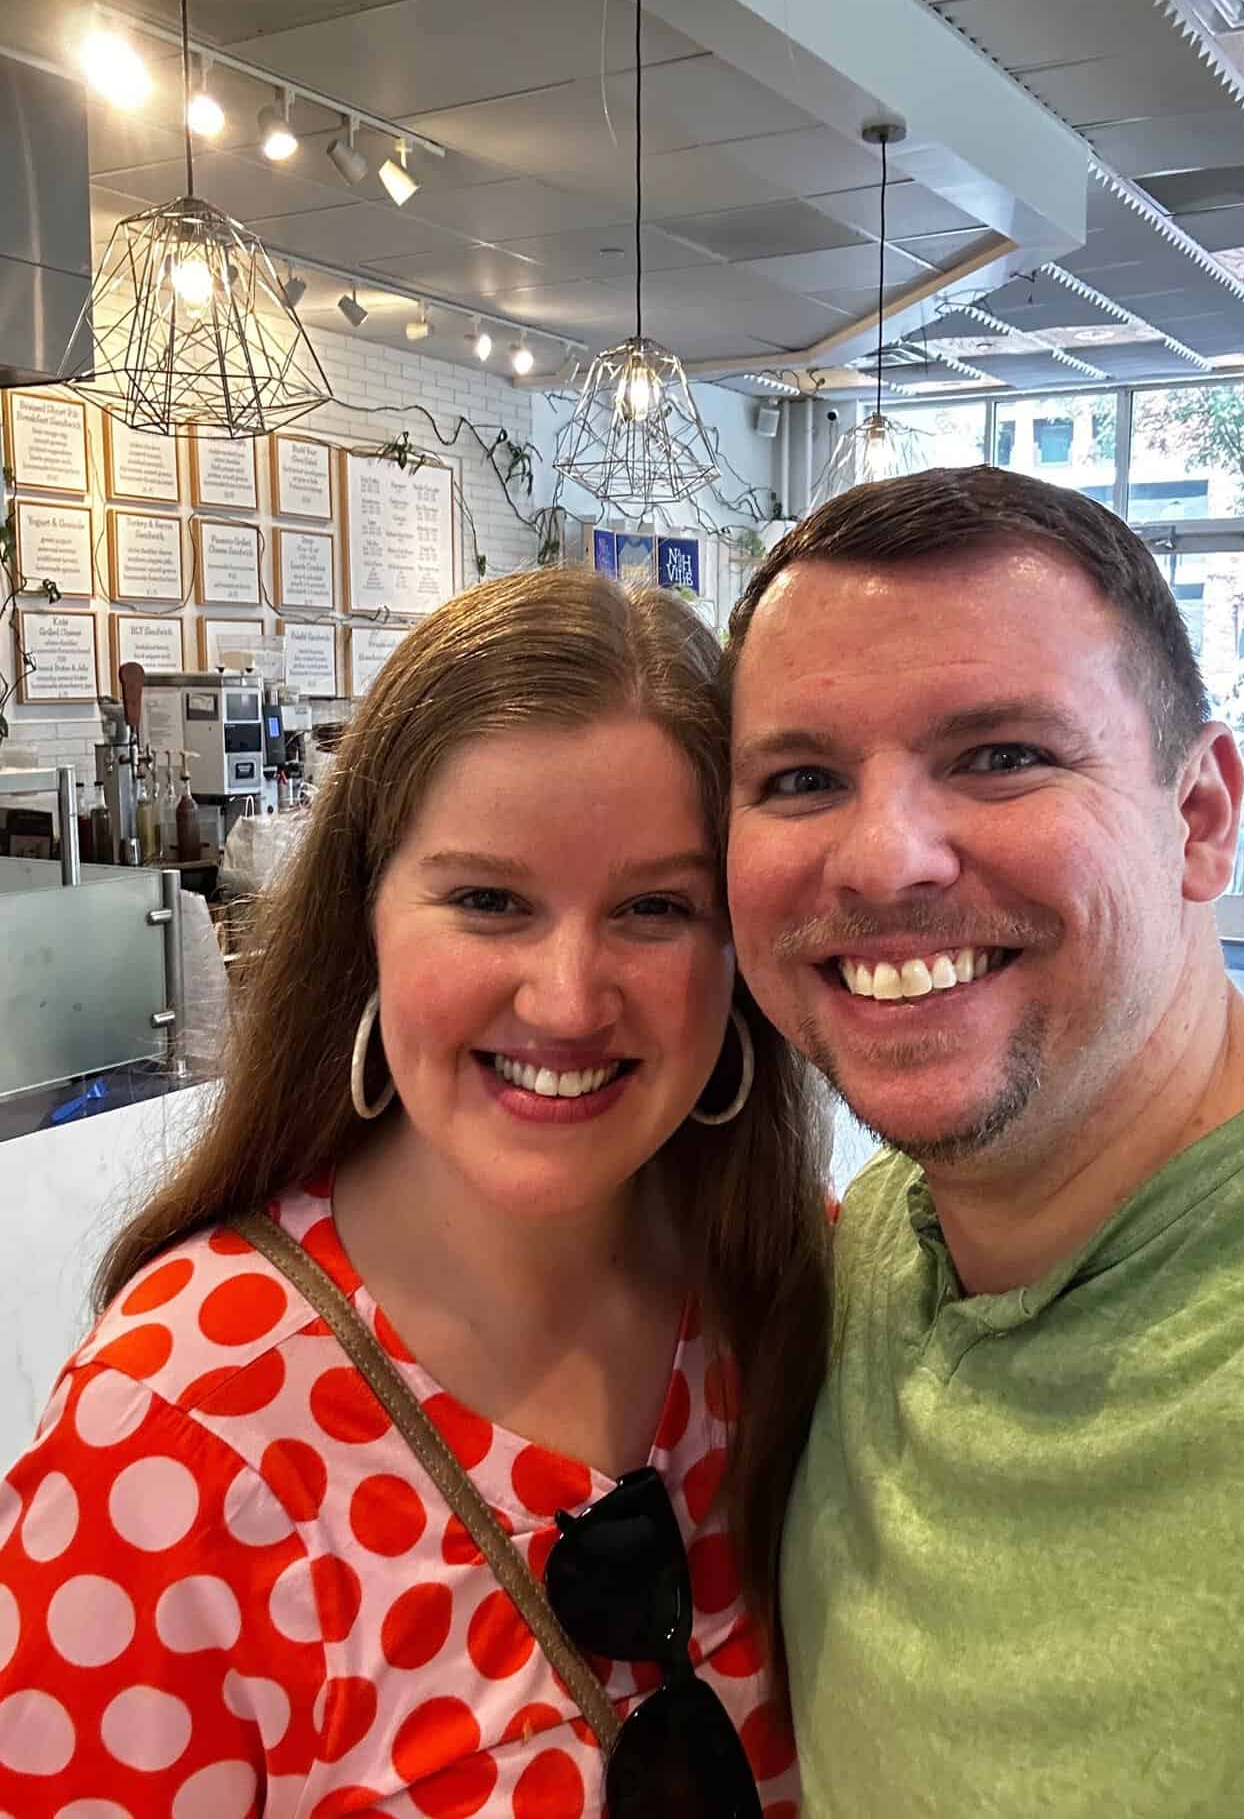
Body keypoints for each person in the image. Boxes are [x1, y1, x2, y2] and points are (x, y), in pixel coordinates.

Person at [0, 571, 828, 1819]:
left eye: (657, 907)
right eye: (489, 901)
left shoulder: (792, 1292)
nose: (566, 996)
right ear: (367, 921)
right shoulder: (168, 1437)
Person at [723, 465, 1244, 1818]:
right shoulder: (876, 1243)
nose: (883, 861)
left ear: (1202, 817)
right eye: (803, 777)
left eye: (1001, 755)